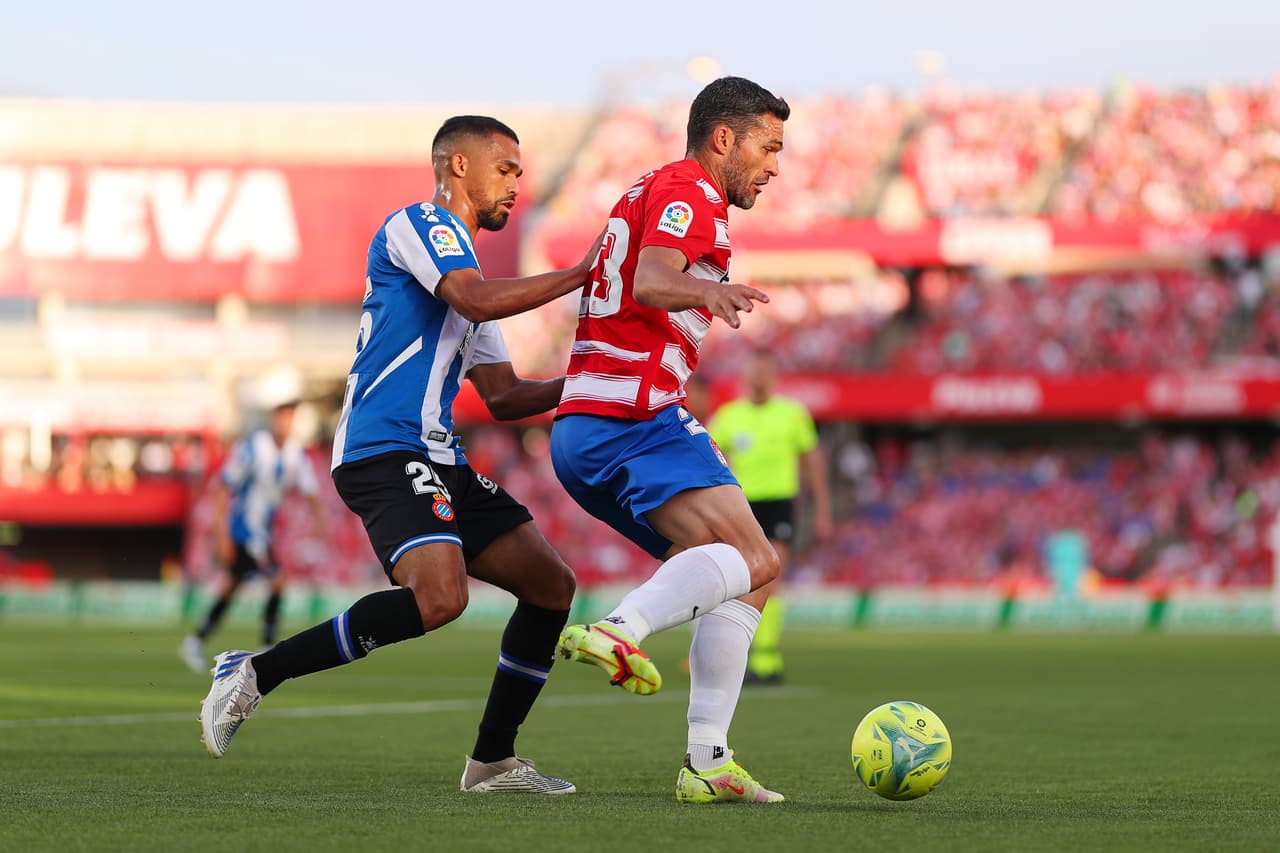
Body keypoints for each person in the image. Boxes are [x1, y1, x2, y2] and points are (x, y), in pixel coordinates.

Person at [198, 115, 601, 795]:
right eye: (506, 167)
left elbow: (503, 395)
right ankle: (255, 671)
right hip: (383, 445)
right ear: (459, 167)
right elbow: (471, 298)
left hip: (437, 453)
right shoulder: (420, 225)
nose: (517, 182)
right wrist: (582, 274)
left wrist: (596, 382)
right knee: (440, 597)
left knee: (551, 585)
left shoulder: (467, 275)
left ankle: (492, 761)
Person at [549, 77, 791, 804]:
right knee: (756, 557)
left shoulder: (652, 186)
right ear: (725, 137)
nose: (775, 165)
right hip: (636, 417)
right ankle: (621, 627)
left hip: (589, 427)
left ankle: (706, 760)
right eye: (769, 146)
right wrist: (707, 290)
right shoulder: (690, 190)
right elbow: (654, 278)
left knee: (748, 568)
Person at [707, 349, 832, 685]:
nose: (759, 377)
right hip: (741, 506)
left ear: (773, 375)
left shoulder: (792, 414)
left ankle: (765, 659)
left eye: (764, 371)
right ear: (746, 376)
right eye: (754, 371)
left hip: (779, 503)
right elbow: (707, 457)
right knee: (740, 582)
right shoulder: (729, 416)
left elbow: (812, 464)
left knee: (771, 579)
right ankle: (737, 654)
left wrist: (822, 510)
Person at [179, 400, 326, 674]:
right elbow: (223, 489)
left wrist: (320, 527)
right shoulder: (252, 449)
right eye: (282, 416)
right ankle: (268, 647)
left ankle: (195, 641)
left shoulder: (295, 454)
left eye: (291, 417)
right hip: (245, 531)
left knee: (230, 587)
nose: (286, 422)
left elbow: (312, 493)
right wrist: (222, 536)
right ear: (273, 419)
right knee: (277, 581)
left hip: (263, 534)